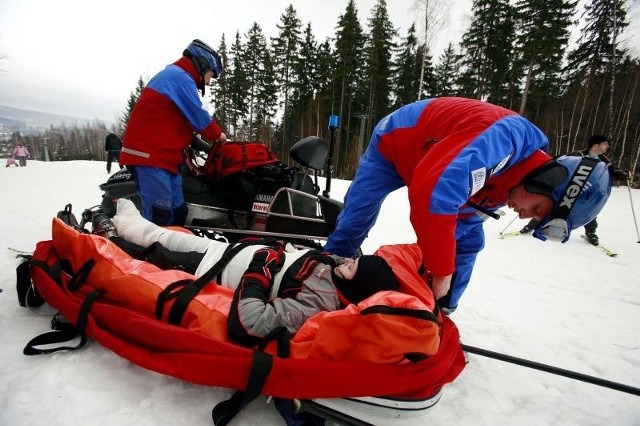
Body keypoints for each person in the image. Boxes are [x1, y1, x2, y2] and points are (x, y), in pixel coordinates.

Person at [325, 97, 611, 314]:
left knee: (467, 241)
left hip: (435, 163)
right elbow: (436, 193)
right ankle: (325, 272)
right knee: (358, 215)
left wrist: (439, 291)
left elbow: (457, 226)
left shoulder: (509, 183)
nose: (525, 217)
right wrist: (441, 270)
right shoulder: (506, 138)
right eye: (536, 210)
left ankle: (439, 309)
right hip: (397, 141)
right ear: (547, 180)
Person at [109, 199, 400, 346]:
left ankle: (106, 237)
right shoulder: (335, 270)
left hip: (207, 270)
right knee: (155, 233)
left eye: (352, 267)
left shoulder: (318, 304)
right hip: (225, 251)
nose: (346, 262)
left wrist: (261, 268)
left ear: (354, 288)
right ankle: (123, 216)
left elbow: (249, 324)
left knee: (149, 249)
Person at [120, 39, 227, 226]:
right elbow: (199, 116)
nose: (209, 82)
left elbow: (178, 121)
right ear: (202, 64)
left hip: (166, 159)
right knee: (159, 217)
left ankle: (174, 251)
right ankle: (150, 253)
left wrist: (196, 142)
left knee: (179, 213)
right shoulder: (180, 77)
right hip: (150, 156)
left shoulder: (177, 76)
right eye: (210, 75)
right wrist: (219, 135)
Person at [520, 134, 630, 245]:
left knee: (588, 209)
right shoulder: (577, 155)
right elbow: (560, 164)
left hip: (588, 190)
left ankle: (591, 232)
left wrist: (623, 174)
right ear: (596, 145)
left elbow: (614, 171)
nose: (607, 146)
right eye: (605, 144)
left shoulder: (604, 161)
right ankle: (532, 225)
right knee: (552, 206)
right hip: (570, 186)